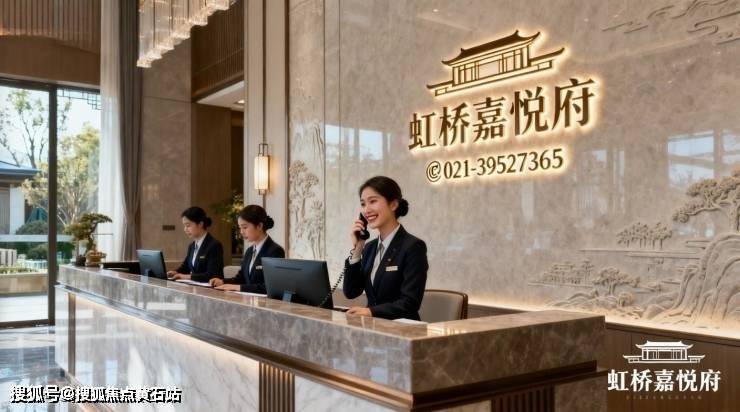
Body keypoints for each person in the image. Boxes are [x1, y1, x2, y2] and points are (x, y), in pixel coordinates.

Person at [343, 176, 428, 320]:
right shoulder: (369, 247)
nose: (366, 210)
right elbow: (351, 292)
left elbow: (410, 303)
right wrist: (358, 248)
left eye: (373, 201)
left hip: (401, 329)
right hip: (372, 327)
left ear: (393, 204)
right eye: (363, 204)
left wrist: (371, 312)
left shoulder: (413, 247)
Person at [211, 205, 285, 293]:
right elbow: (241, 278)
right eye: (240, 228)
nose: (241, 232)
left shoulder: (275, 251)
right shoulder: (249, 251)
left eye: (245, 227)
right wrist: (222, 281)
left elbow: (269, 286)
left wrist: (239, 288)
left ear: (259, 226)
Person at [168, 206, 224, 282]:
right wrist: (175, 272)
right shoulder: (191, 246)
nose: (185, 229)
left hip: (210, 287)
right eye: (184, 226)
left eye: (188, 225)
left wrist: (186, 276)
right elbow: (185, 267)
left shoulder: (214, 245)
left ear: (200, 224)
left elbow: (211, 274)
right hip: (195, 286)